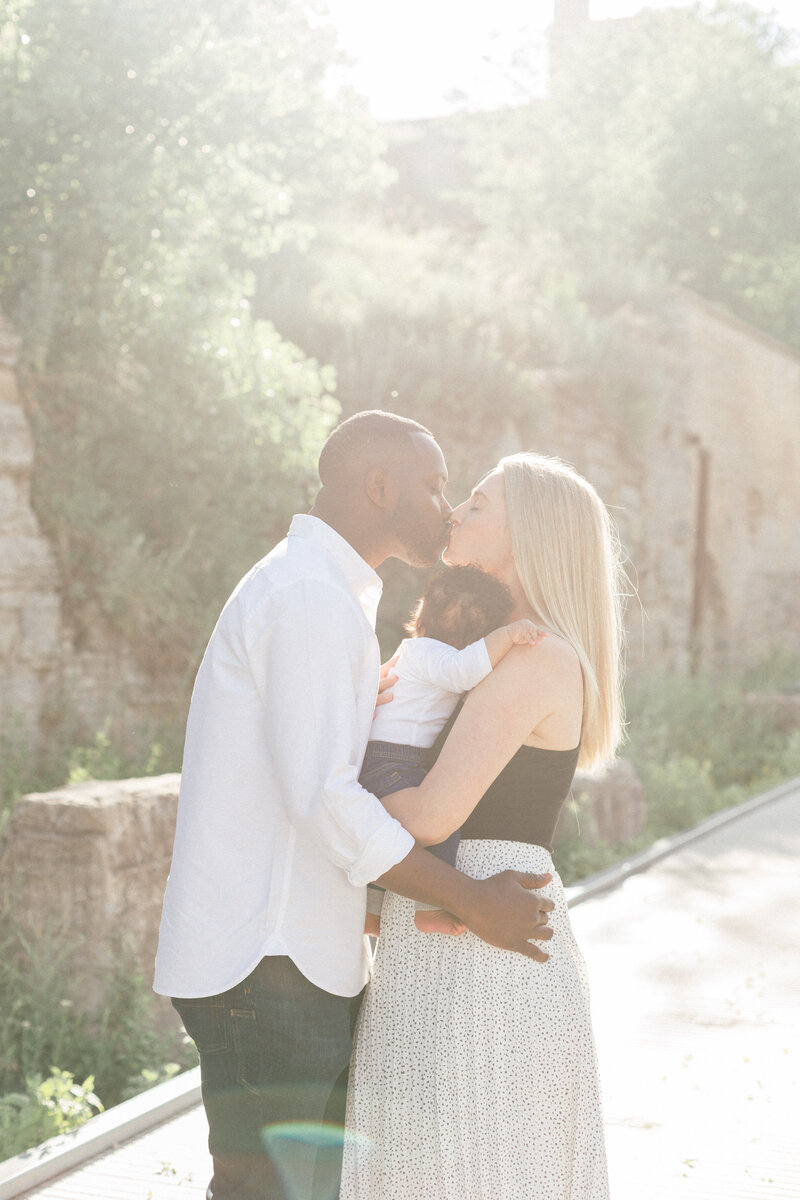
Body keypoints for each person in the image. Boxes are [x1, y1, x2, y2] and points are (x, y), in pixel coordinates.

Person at [153, 412, 556, 1200]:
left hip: (287, 960)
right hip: (265, 962)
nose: (445, 507)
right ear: (379, 488)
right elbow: (326, 800)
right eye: (435, 486)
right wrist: (470, 900)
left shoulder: (321, 591)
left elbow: (314, 765)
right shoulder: (309, 596)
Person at [341, 452, 624, 1200]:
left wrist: (328, 791)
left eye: (477, 503)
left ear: (529, 536)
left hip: (482, 949)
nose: (455, 513)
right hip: (452, 925)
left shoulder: (532, 656)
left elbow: (432, 813)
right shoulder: (484, 647)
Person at [362, 564, 545, 936]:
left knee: (387, 835)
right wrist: (508, 636)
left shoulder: (417, 649)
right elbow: (464, 670)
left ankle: (371, 907)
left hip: (383, 758)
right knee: (444, 821)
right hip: (394, 761)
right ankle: (430, 908)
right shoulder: (430, 654)